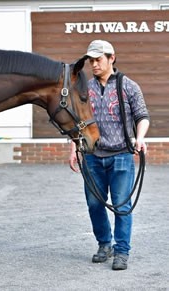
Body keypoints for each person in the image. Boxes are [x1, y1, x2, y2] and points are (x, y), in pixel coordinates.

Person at [69, 40, 150, 271]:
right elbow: (77, 122)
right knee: (94, 204)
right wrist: (73, 148)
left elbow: (142, 116)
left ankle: (122, 251)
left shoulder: (129, 86)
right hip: (92, 157)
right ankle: (105, 244)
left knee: (122, 205)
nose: (94, 64)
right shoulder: (84, 89)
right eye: (91, 61)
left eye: (98, 59)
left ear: (111, 58)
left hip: (122, 155)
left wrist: (140, 137)